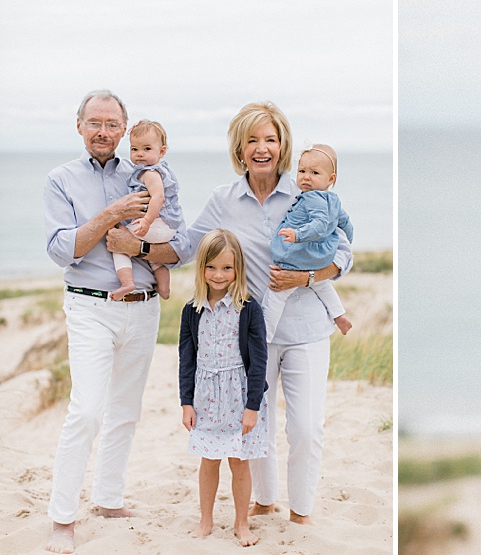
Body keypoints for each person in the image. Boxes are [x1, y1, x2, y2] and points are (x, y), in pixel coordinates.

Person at [183, 101, 352, 525]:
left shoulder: (308, 194)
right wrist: (142, 246)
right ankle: (264, 499)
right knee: (256, 423)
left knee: (307, 428)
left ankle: (302, 512)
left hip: (307, 328)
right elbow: (188, 247)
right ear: (239, 149)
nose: (262, 148)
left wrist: (308, 278)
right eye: (252, 140)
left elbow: (345, 253)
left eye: (270, 140)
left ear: (283, 146)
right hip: (251, 334)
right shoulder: (223, 200)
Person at [43, 90, 188, 554]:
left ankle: (107, 499)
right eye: (94, 123)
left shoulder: (150, 173)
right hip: (88, 307)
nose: (103, 132)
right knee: (86, 410)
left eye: (112, 124)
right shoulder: (59, 179)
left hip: (143, 307)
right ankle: (62, 518)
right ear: (80, 126)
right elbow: (61, 249)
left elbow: (181, 247)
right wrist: (111, 215)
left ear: (124, 129)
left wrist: (139, 249)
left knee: (126, 411)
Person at [179, 229, 270, 547]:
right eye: (212, 267)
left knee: (239, 462)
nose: (219, 275)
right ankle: (206, 521)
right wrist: (186, 402)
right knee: (208, 461)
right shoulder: (192, 310)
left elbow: (259, 361)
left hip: (239, 396)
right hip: (206, 397)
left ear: (238, 269)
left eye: (227, 268)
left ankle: (242, 523)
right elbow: (186, 358)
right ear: (201, 267)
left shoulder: (248, 308)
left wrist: (252, 406)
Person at [263, 144, 355, 338]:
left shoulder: (312, 198)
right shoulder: (333, 200)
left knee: (275, 296)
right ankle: (339, 316)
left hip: (298, 257)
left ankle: (265, 336)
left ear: (331, 179)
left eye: (314, 172)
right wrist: (350, 238)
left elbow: (319, 225)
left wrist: (298, 235)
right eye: (302, 171)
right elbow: (345, 222)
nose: (306, 177)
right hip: (318, 259)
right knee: (322, 285)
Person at [110, 120, 179, 301]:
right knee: (154, 259)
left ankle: (127, 283)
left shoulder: (149, 173)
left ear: (161, 151)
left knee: (119, 242)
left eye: (147, 149)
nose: (139, 154)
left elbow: (158, 197)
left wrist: (147, 221)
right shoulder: (164, 170)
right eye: (134, 149)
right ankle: (164, 290)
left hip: (156, 226)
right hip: (167, 228)